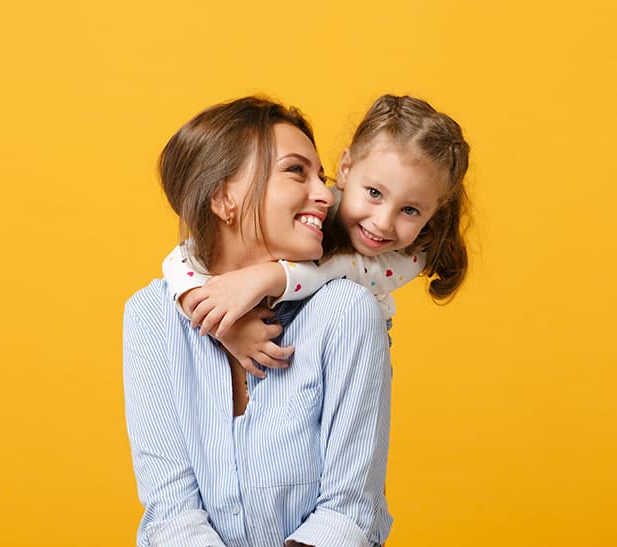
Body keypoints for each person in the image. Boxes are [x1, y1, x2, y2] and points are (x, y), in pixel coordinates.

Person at [123, 97, 401, 547]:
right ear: (222, 198)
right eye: (297, 172)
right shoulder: (152, 315)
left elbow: (348, 506)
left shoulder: (347, 310)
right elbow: (171, 510)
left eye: (322, 176)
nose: (326, 195)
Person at [161, 95, 471, 376]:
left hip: (344, 350)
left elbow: (348, 270)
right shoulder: (321, 207)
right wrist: (221, 326)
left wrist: (269, 276)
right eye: (375, 193)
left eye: (411, 211)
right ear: (346, 168)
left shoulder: (411, 254)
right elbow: (181, 258)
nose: (383, 223)